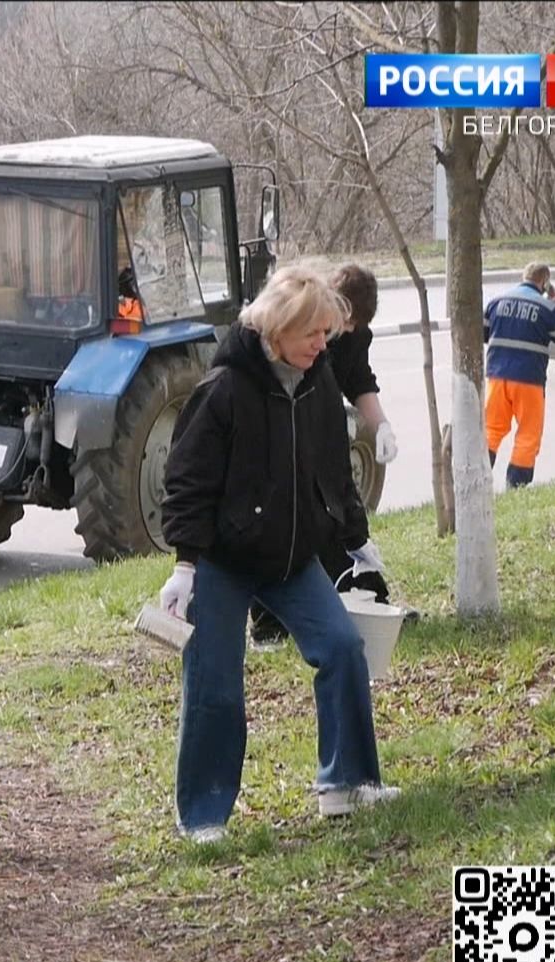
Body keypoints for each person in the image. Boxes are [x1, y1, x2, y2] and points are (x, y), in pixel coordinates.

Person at [157, 262, 401, 843]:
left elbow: (333, 469)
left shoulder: (317, 383)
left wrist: (356, 540)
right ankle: (204, 816)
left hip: (290, 559)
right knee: (215, 683)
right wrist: (185, 567)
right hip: (220, 559)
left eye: (326, 334)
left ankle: (347, 782)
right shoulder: (223, 391)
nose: (324, 345)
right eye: (313, 334)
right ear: (277, 333)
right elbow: (186, 482)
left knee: (342, 649)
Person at [251, 262, 399, 644]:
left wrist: (379, 424)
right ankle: (270, 620)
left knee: (337, 518)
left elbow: (359, 379)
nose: (341, 334)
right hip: (289, 442)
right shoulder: (304, 332)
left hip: (327, 442)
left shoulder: (354, 333)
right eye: (341, 325)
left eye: (352, 328)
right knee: (286, 527)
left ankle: (363, 595)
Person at [483, 262, 555, 488]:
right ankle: (516, 488)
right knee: (527, 435)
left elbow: (484, 332)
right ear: (544, 283)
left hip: (496, 377)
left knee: (492, 430)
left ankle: (477, 480)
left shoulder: (497, 301)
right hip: (528, 380)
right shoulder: (546, 308)